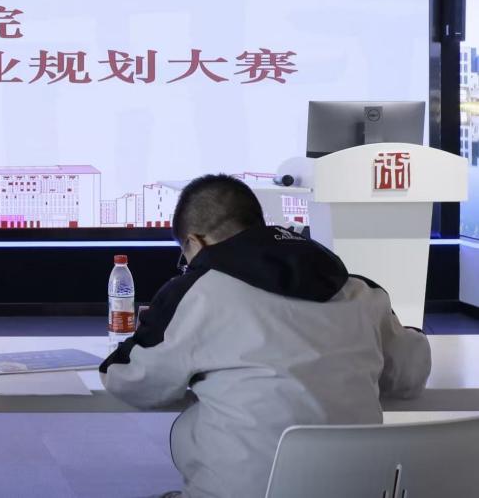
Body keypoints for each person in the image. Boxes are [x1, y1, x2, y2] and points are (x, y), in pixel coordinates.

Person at [100, 174, 431, 498]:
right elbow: (409, 375)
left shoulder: (196, 293)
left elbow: (136, 382)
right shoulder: (359, 291)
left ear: (195, 242)